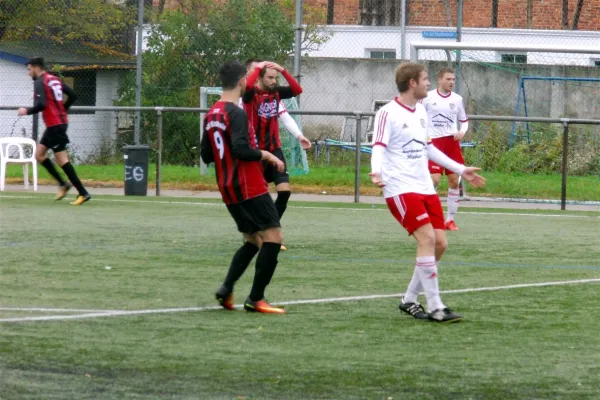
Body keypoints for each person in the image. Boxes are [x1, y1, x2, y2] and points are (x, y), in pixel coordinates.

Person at [369, 62, 486, 323]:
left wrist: (461, 168)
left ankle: (409, 299)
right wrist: (376, 171)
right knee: (427, 240)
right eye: (424, 79)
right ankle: (436, 306)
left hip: (424, 187)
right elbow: (378, 146)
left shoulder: (421, 111)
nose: (429, 83)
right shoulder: (388, 113)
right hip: (400, 188)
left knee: (440, 244)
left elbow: (429, 149)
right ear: (412, 82)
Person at [200, 60, 287, 314]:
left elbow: (206, 155)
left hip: (228, 188)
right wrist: (267, 155)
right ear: (241, 82)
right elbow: (241, 149)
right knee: (273, 238)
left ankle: (226, 289)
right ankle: (256, 299)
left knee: (252, 240)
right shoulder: (235, 113)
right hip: (250, 186)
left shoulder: (212, 113)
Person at [242, 59, 309, 251]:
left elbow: (297, 90)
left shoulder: (276, 94)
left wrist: (284, 71)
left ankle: (268, 231)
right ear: (260, 77)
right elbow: (248, 86)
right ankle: (254, 232)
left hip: (275, 150)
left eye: (275, 78)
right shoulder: (250, 95)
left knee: (285, 192)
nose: (273, 81)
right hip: (256, 152)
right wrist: (257, 68)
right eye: (270, 77)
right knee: (256, 196)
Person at [17, 57, 90, 205]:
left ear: (37, 68)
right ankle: (63, 184)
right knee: (39, 155)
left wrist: (27, 111)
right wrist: (63, 109)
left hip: (55, 125)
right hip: (56, 124)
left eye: (29, 69)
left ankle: (83, 193)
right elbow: (73, 95)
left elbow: (42, 104)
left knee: (61, 159)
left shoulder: (40, 82)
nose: (28, 73)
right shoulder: (54, 79)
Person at [421, 68, 469, 231]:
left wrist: (462, 131)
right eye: (448, 79)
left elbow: (464, 120)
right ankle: (429, 216)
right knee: (433, 180)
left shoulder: (457, 99)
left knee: (454, 181)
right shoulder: (427, 98)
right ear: (440, 80)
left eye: (453, 79)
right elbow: (419, 117)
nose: (451, 82)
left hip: (451, 143)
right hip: (434, 142)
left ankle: (450, 220)